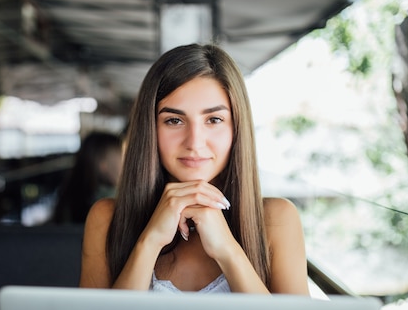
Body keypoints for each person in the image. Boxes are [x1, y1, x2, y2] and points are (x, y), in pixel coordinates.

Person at [79, 43, 309, 294]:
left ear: (236, 129)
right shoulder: (106, 218)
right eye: (174, 120)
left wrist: (228, 250)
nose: (194, 142)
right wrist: (150, 240)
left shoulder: (277, 219)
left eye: (214, 119)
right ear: (150, 130)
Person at [51, 131, 123, 224]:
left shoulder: (68, 201)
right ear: (103, 164)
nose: (126, 163)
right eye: (122, 155)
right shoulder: (112, 204)